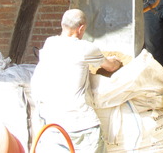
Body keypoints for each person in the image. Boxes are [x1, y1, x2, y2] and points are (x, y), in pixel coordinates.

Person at [31, 9, 122, 153]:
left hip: (51, 123)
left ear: (62, 24)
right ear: (81, 29)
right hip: (80, 125)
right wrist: (117, 61)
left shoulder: (49, 43)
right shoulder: (85, 48)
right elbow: (110, 67)